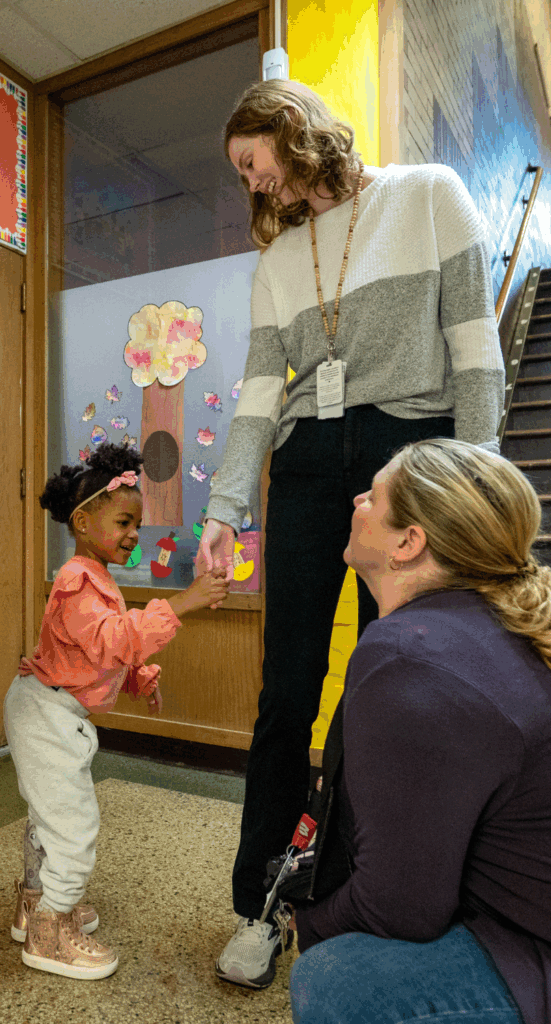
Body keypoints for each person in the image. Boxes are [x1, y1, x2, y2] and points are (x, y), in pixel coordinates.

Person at [195, 79, 506, 988]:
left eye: (251, 163)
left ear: (288, 132)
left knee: (386, 688)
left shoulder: (429, 194)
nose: (252, 185)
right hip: (304, 464)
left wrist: (478, 476)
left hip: (409, 454)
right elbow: (259, 392)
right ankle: (261, 902)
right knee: (284, 691)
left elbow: (474, 341)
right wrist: (222, 508)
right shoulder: (279, 260)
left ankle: (358, 895)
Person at [286, 437, 551, 1023]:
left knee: (339, 982)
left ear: (408, 541)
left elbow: (400, 908)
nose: (357, 500)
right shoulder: (489, 626)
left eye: (373, 495)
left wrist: (308, 922)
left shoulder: (410, 656)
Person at [5, 443, 229, 980]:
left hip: (53, 711)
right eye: (124, 521)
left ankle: (35, 903)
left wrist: (141, 677)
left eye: (138, 523)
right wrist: (181, 603)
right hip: (47, 715)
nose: (134, 534)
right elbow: (110, 642)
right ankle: (51, 932)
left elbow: (97, 655)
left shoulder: (97, 578)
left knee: (50, 817)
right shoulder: (77, 581)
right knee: (75, 826)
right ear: (82, 522)